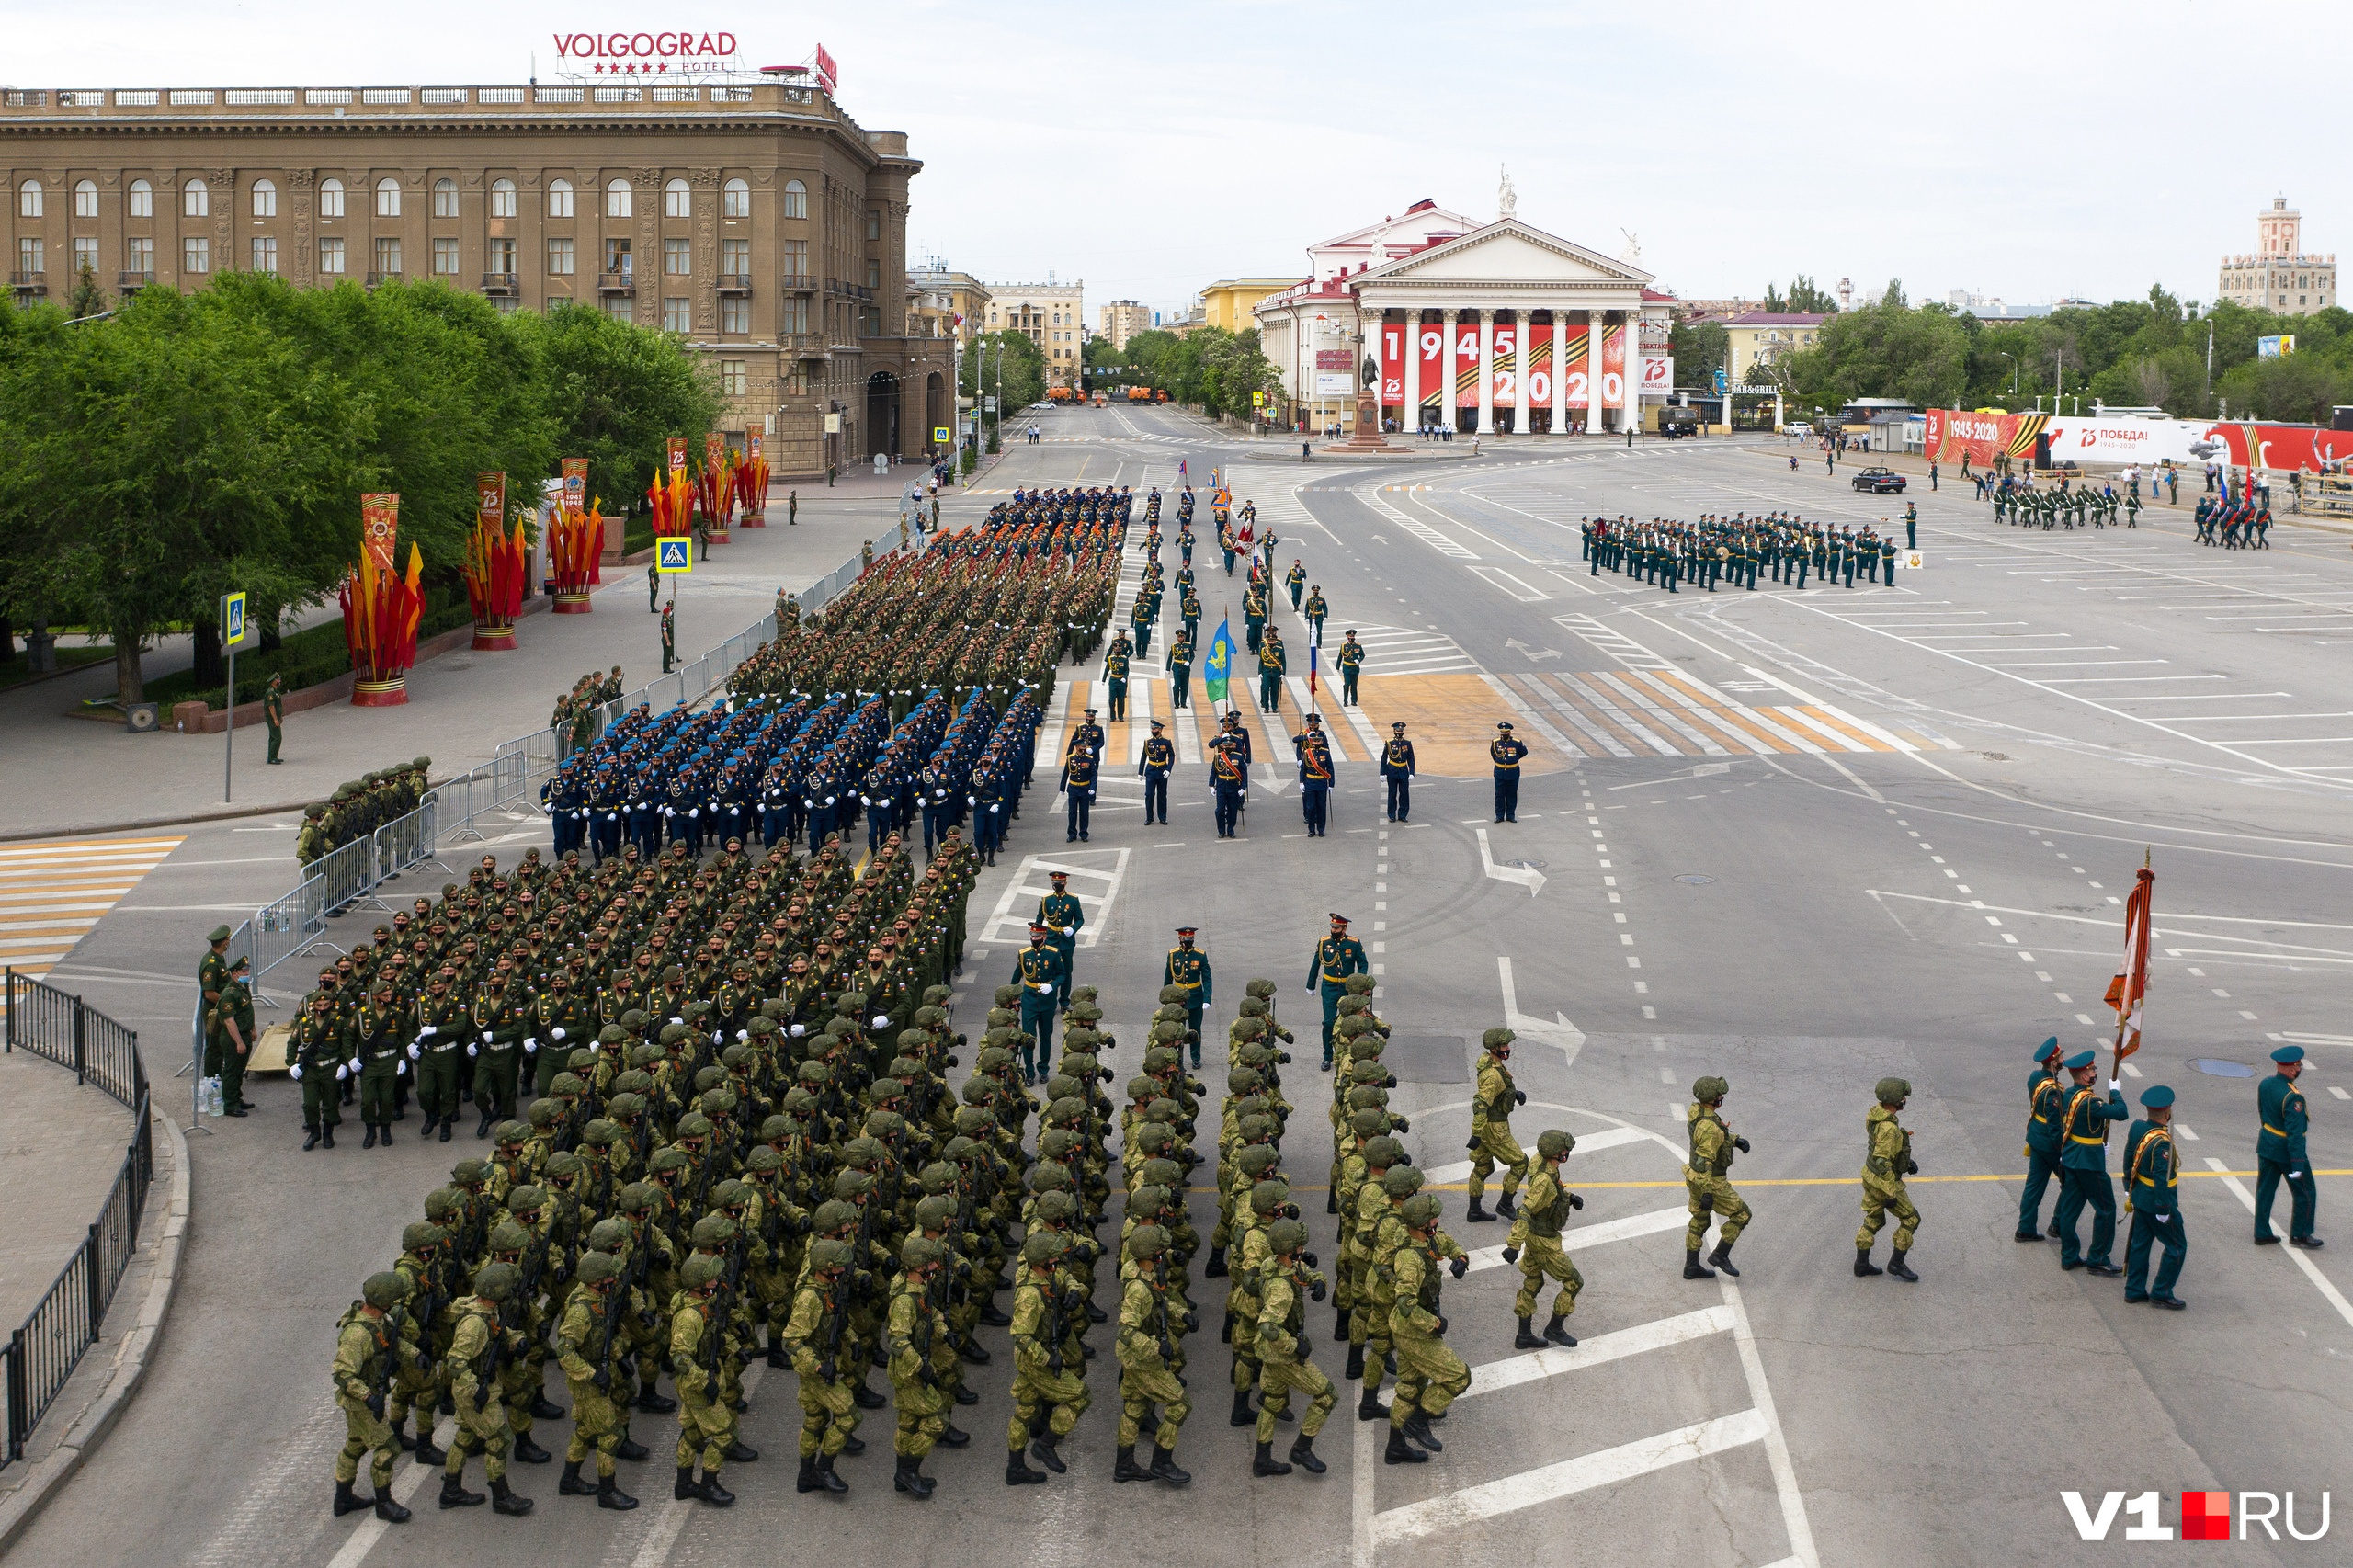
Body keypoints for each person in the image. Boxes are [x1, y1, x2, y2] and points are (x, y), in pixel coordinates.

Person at [1383, 1194, 1467, 1465]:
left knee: (1409, 1387)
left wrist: (1460, 1257)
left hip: (1407, 1328)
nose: (1437, 1221)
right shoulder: (1411, 1259)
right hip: (1415, 1330)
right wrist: (1435, 1323)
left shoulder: (1425, 1239)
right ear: (1421, 1224)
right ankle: (1419, 1421)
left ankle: (1395, 1447)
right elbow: (1406, 1304)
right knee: (1459, 1377)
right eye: (1432, 1218)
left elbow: (1445, 1241)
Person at [332, 1272, 416, 1523]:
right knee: (388, 1448)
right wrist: (368, 1397)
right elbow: (342, 1374)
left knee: (356, 1444)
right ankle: (384, 1503)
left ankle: (343, 1499)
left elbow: (393, 1343)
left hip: (368, 1397)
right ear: (385, 1301)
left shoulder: (380, 1321)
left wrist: (415, 1354)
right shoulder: (357, 1334)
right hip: (360, 1402)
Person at [1006, 1229, 1088, 1485]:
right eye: (1053, 1258)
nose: (1058, 1262)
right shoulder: (1030, 1295)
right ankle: (1046, 1443)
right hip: (1035, 1358)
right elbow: (1020, 1336)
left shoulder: (1050, 1275)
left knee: (1025, 1410)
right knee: (1080, 1396)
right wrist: (1046, 1359)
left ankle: (1015, 1468)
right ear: (1041, 1261)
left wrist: (1075, 1291)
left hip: (1041, 1351)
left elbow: (1068, 1278)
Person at [1251, 1218, 1334, 1476]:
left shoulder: (1274, 1264)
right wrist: (1294, 1346)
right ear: (1288, 1249)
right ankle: (1302, 1448)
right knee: (1327, 1395)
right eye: (1298, 1245)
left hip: (1269, 1352)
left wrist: (1318, 1280)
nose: (1302, 1248)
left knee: (1273, 1402)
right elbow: (1268, 1326)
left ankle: (1262, 1460)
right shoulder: (1281, 1290)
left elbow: (1301, 1272)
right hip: (1281, 1353)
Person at [1112, 1224, 1190, 1486]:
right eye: (1160, 1250)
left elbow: (1159, 1300)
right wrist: (1157, 1348)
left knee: (1134, 1408)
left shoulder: (1138, 1270)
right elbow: (1126, 1330)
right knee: (1180, 1404)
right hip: (1141, 1359)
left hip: (1133, 1358)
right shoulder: (1138, 1289)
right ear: (1151, 1254)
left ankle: (1124, 1466)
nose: (1164, 1253)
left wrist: (1182, 1313)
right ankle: (1162, 1461)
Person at [1502, 1129, 1583, 1348]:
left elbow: (1552, 1191)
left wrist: (1568, 1197)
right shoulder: (1544, 1181)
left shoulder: (1539, 1161)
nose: (1567, 1153)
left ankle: (1524, 1335)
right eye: (1564, 1150)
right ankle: (1554, 1328)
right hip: (1544, 1240)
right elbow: (1525, 1209)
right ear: (1556, 1153)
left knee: (1533, 1281)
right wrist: (1513, 1244)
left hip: (1535, 1236)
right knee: (1574, 1281)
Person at [2053, 1051, 2129, 1276]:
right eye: (2093, 1070)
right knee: (2106, 1209)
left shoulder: (2068, 1095)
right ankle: (2098, 1258)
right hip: (2089, 1161)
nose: (2095, 1073)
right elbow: (2121, 1113)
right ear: (2084, 1076)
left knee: (2070, 1209)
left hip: (2072, 1156)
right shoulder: (2091, 1102)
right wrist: (2116, 1092)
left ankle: (2069, 1256)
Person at [2121, 1085, 2187, 1309]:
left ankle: (2134, 1289)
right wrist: (2163, 1209)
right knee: (2177, 1246)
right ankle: (2161, 1291)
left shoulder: (2138, 1128)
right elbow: (2161, 1179)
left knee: (2140, 1244)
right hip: (2157, 1202)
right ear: (2167, 1113)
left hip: (2140, 1196)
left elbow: (2129, 1156)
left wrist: (2127, 1186)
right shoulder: (2162, 1143)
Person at [1681, 1075, 1749, 1278]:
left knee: (1700, 1220)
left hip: (1694, 1178)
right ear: (1711, 1099)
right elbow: (1705, 1162)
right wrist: (1708, 1193)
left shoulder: (1698, 1112)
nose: (1721, 1097)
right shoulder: (1709, 1127)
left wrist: (1735, 1140)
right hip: (1710, 1181)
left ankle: (1691, 1267)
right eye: (1719, 1094)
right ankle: (1721, 1254)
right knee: (1742, 1214)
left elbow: (1716, 1133)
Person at [1856, 1077, 1922, 1281]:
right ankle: (1896, 1263)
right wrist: (1890, 1193)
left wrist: (1905, 1161)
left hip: (1869, 1176)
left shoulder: (1876, 1115)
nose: (1904, 1099)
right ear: (1894, 1099)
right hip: (1883, 1182)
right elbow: (1881, 1160)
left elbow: (1880, 1152)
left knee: (1874, 1219)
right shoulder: (1889, 1128)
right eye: (1902, 1096)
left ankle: (1861, 1264)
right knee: (1911, 1218)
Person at [2255, 1044, 2321, 1247]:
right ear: (2292, 1068)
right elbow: (2295, 1135)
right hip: (2286, 1152)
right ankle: (2300, 1234)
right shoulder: (2293, 1097)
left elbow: (2262, 1113)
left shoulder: (2266, 1084)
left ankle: (2261, 1232)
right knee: (2306, 1192)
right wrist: (2298, 1164)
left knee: (2265, 1191)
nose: (2299, 1069)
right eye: (2299, 1066)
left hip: (2266, 1145)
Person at [1465, 1028, 1529, 1222]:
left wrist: (1512, 1094)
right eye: (1504, 1045)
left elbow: (1497, 1092)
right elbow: (1481, 1103)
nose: (1508, 1048)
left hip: (1489, 1126)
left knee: (1483, 1167)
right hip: (1495, 1128)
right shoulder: (1492, 1075)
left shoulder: (1493, 1066)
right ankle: (1505, 1204)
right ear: (1494, 1048)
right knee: (1520, 1163)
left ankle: (1474, 1211)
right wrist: (1476, 1133)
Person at [2017, 1037, 2066, 1242]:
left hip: (2035, 1137)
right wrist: (2061, 1151)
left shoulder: (2035, 1077)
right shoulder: (2053, 1090)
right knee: (2071, 1183)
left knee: (2034, 1185)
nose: (2064, 1058)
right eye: (2061, 1056)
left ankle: (2025, 1227)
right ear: (2054, 1061)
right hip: (2049, 1142)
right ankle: (2058, 1223)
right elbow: (2055, 1126)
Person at [1304, 913, 1369, 1071]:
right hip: (1329, 988)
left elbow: (1363, 965)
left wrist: (1359, 985)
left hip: (1347, 990)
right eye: (1332, 927)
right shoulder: (1324, 943)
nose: (1333, 930)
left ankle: (1352, 1054)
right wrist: (1310, 985)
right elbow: (1315, 964)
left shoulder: (1354, 944)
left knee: (1351, 1023)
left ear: (1344, 928)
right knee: (1328, 1023)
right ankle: (1327, 1056)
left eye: (1337, 927)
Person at [215, 953, 256, 1117]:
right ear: (234, 974)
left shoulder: (242, 988)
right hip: (233, 1038)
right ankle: (230, 1105)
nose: (247, 975)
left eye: (247, 972)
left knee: (240, 1069)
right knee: (232, 1071)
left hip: (245, 1033)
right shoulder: (229, 994)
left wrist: (252, 1029)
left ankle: (237, 1098)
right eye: (243, 972)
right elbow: (229, 1021)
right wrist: (239, 1042)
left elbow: (247, 1011)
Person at [1037, 870, 1084, 1005]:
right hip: (1051, 938)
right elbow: (1039, 920)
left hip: (1066, 940)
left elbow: (1080, 919)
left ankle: (1064, 1001)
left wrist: (1073, 929)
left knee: (1066, 971)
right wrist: (1040, 937)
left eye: (1060, 882)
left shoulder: (1072, 900)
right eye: (1055, 882)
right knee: (1050, 970)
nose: (1057, 885)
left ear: (1065, 883)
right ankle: (1050, 1000)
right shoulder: (1047, 899)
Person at [1162, 927, 1211, 1042]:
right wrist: (1166, 999)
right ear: (1180, 938)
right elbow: (1168, 977)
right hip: (1177, 998)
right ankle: (1179, 1058)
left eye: (1190, 938)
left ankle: (1196, 1059)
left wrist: (1207, 998)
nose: (1187, 941)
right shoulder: (1173, 954)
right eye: (1185, 938)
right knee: (1177, 1030)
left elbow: (1207, 978)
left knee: (1195, 1030)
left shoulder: (1200, 955)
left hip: (1195, 997)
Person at [1489, 721, 1528, 823]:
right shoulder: (1495, 742)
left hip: (1513, 771)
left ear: (1509, 733)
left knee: (1511, 794)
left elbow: (1524, 752)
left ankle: (1510, 815)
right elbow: (1494, 754)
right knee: (1499, 795)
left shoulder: (1516, 742)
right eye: (1502, 733)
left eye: (1506, 733)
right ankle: (1499, 816)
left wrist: (1513, 759)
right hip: (1500, 771)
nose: (1504, 734)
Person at [1059, 744, 1097, 843]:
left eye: (1084, 749)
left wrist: (1092, 788)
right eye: (1081, 749)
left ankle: (1083, 833)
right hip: (1073, 789)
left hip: (1084, 788)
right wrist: (1062, 788)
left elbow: (1093, 775)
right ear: (1076, 748)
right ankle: (1072, 834)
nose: (1082, 751)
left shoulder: (1089, 759)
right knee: (1072, 813)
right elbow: (1065, 773)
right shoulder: (1070, 758)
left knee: (1084, 812)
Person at [1139, 720, 1174, 824]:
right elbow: (1144, 756)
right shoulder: (1148, 741)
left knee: (1162, 795)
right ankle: (1149, 817)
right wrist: (1140, 772)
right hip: (1151, 771)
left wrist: (1168, 769)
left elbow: (1172, 755)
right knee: (1149, 795)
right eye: (1152, 728)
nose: (1153, 730)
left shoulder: (1166, 741)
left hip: (1162, 771)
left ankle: (1162, 817)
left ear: (1160, 729)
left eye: (1155, 729)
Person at [1379, 721, 1415, 822]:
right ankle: (1392, 814)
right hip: (1392, 771)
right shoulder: (1389, 743)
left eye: (1401, 730)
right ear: (1394, 731)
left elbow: (1411, 758)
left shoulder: (1407, 743)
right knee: (1392, 793)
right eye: (1398, 730)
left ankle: (1403, 815)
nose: (1399, 732)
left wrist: (1411, 772)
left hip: (1403, 771)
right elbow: (1384, 757)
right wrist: (1382, 772)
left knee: (1404, 794)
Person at [264, 673, 286, 764]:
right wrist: (275, 719)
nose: (279, 680)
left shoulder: (275, 691)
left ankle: (272, 756)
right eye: (278, 679)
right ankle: (272, 758)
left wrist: (279, 716)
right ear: (273, 682)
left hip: (275, 717)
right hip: (272, 718)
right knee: (277, 738)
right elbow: (271, 707)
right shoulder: (271, 693)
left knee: (273, 737)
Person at [660, 602, 676, 674]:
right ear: (666, 613)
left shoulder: (669, 619)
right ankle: (666, 668)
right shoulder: (665, 621)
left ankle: (667, 666)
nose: (670, 612)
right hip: (667, 639)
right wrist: (668, 641)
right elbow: (665, 632)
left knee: (669, 653)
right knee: (667, 654)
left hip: (671, 638)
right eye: (669, 611)